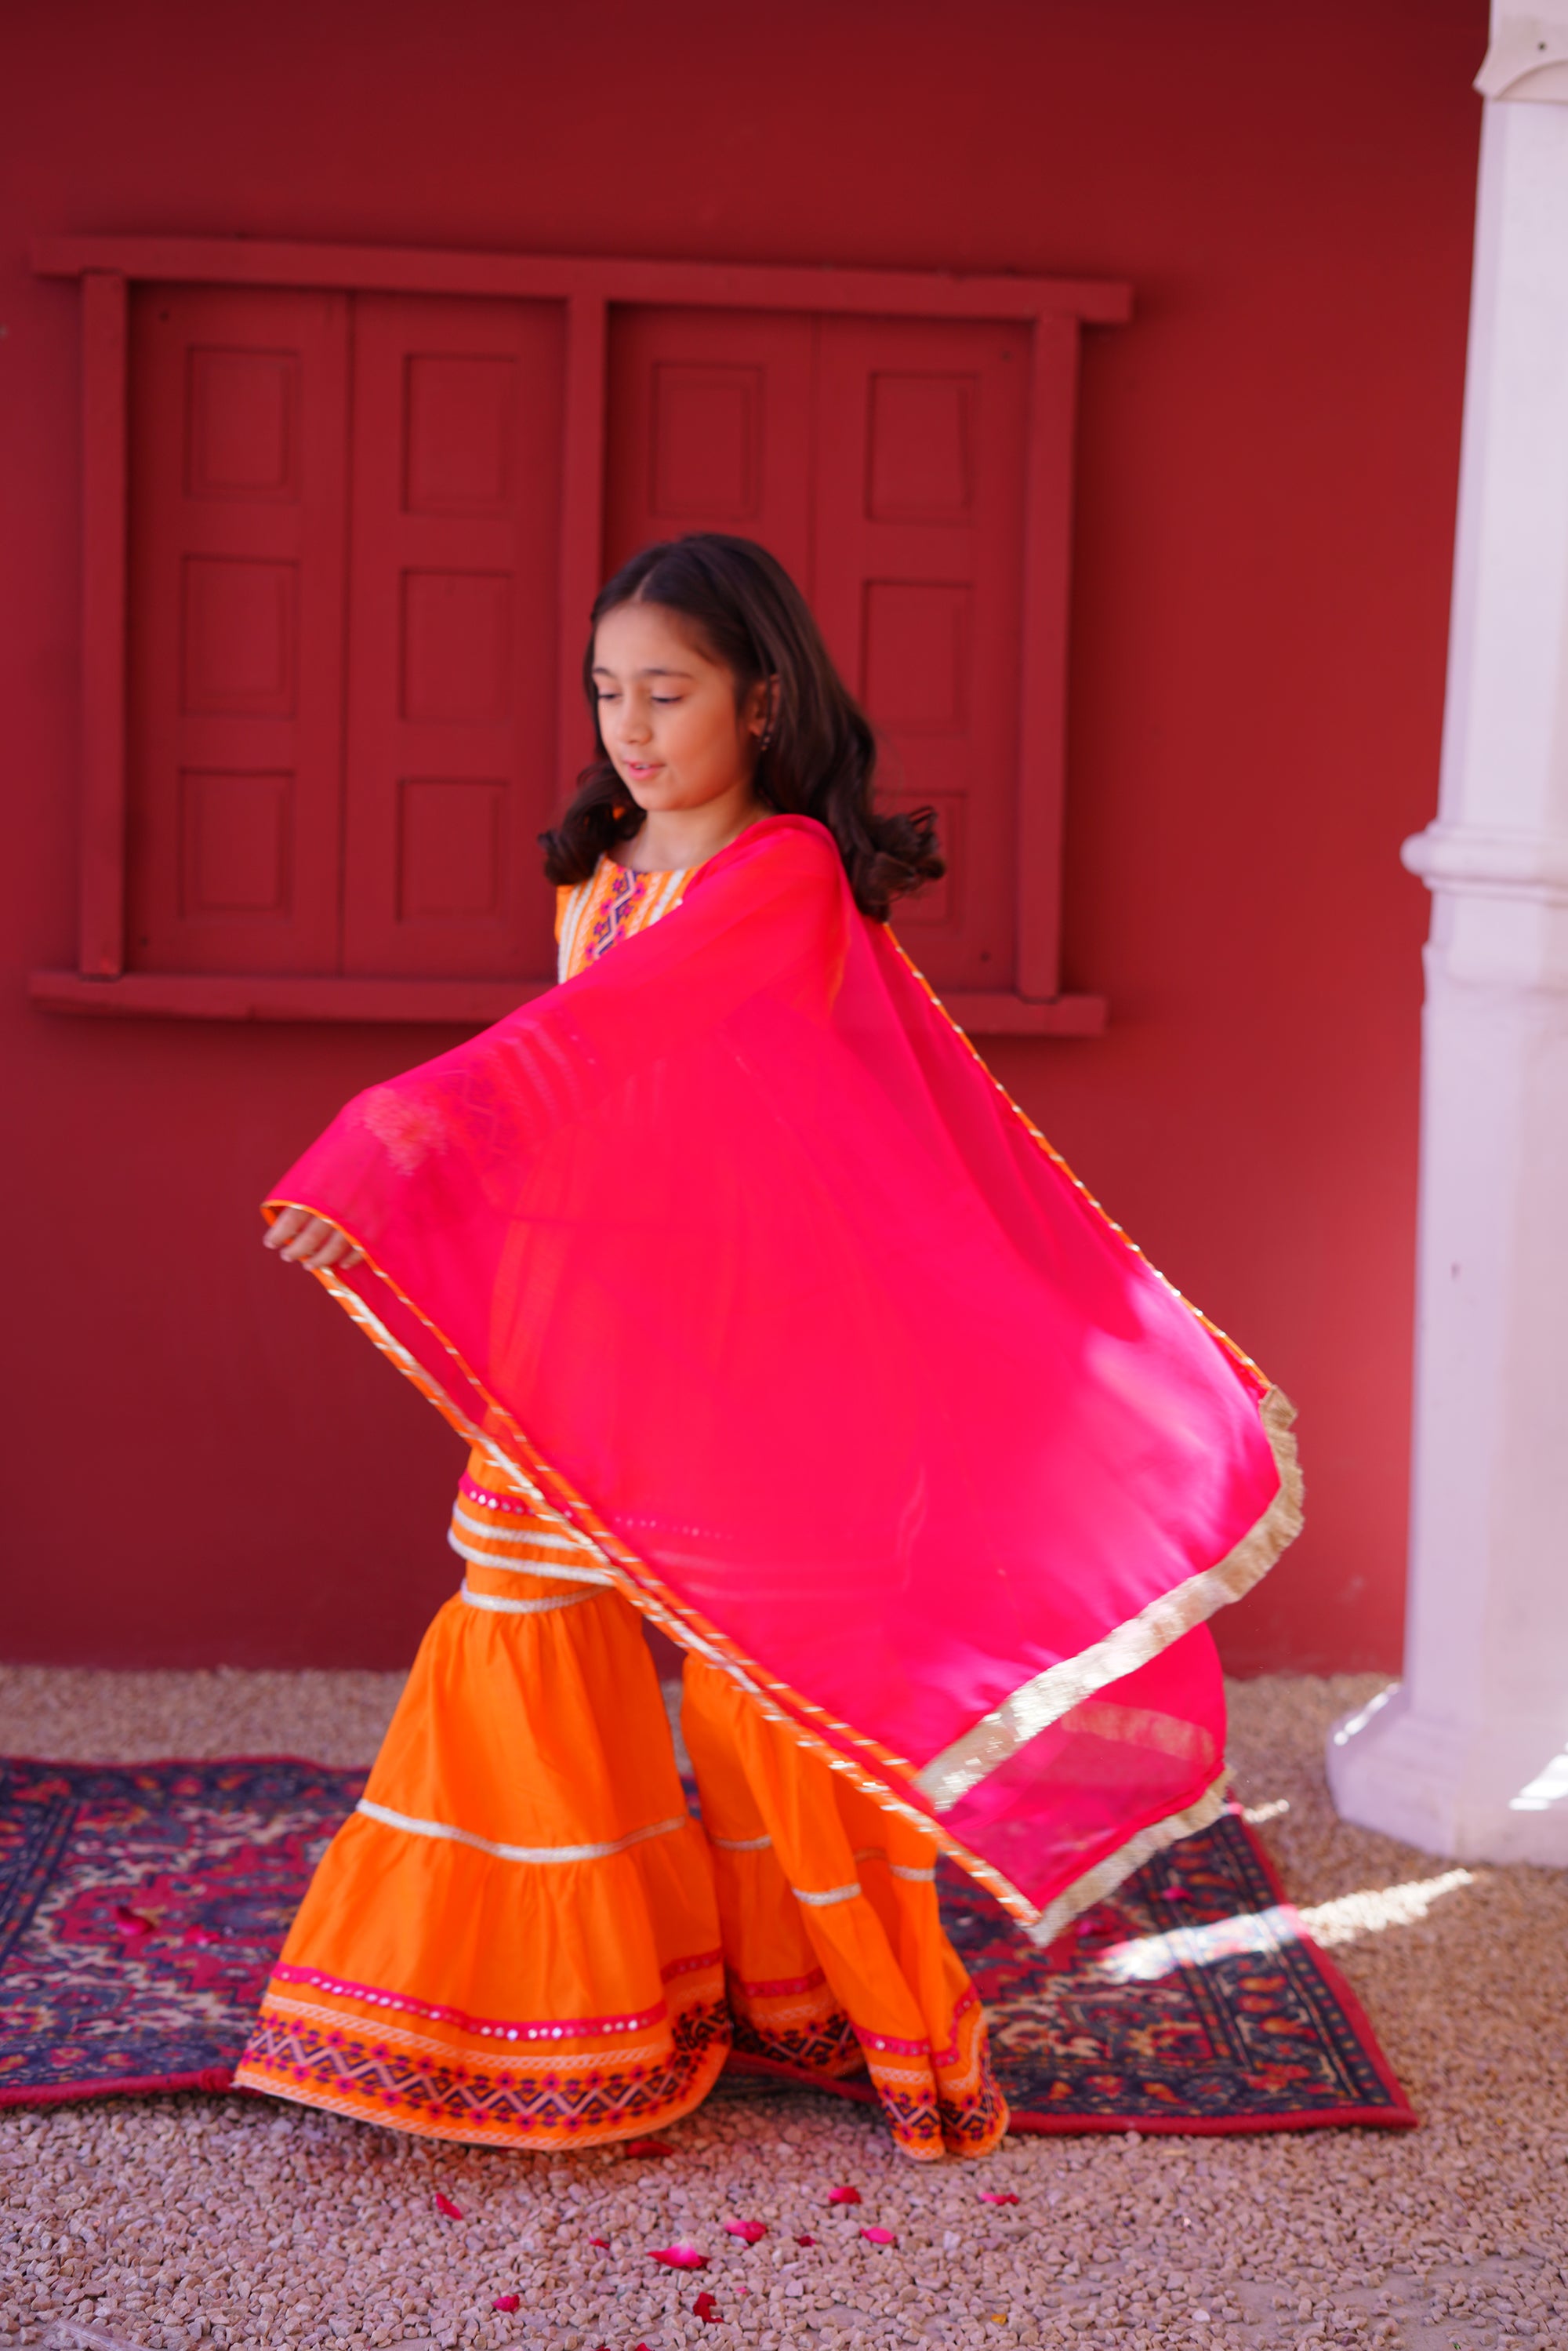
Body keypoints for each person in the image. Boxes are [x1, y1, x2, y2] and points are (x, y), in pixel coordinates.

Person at [234, 534, 1300, 2160]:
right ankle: (531, 2017)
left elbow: (609, 1033)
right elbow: (586, 1094)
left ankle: (841, 2003)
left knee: (760, 1672)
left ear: (764, 694)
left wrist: (403, 1124)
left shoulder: (781, 871)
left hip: (737, 1330)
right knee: (521, 1613)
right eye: (607, 692)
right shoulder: (596, 864)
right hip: (576, 1307)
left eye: (668, 691)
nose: (631, 728)